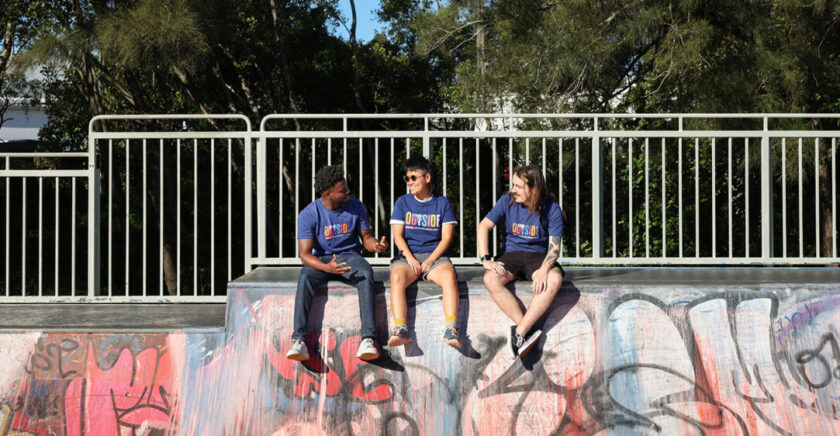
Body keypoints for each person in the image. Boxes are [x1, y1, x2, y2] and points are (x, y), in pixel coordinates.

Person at [286, 165, 389, 362]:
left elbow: (366, 238)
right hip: (322, 259)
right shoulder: (309, 214)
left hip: (349, 256)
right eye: (343, 190)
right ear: (328, 194)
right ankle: (299, 340)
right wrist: (327, 267)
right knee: (305, 276)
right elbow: (304, 255)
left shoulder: (356, 207)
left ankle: (368, 339)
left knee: (366, 273)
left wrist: (375, 245)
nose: (348, 192)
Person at [477, 165, 564, 358]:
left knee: (555, 279)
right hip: (511, 254)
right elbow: (483, 226)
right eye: (512, 185)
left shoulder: (551, 208)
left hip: (538, 257)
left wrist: (544, 269)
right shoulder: (507, 201)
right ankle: (526, 330)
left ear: (533, 189)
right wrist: (485, 259)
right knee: (491, 279)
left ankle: (520, 331)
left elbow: (555, 248)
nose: (512, 190)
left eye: (518, 186)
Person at [388, 156, 461, 349]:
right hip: (408, 257)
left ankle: (451, 329)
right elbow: (398, 237)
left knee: (449, 276)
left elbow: (446, 239)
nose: (409, 182)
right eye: (407, 179)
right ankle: (400, 329)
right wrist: (410, 258)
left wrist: (431, 260)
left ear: (427, 178)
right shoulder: (402, 202)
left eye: (413, 178)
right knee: (396, 276)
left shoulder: (442, 203)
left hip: (434, 256)